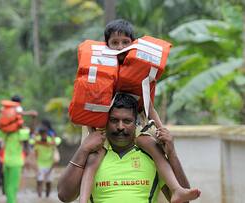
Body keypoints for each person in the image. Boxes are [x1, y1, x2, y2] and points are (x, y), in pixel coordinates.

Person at [77, 19, 201, 203]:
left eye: (125, 42)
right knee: (94, 158)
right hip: (101, 128)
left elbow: (149, 107)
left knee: (150, 144)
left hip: (134, 124)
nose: (120, 47)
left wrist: (160, 128)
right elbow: (89, 107)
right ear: (106, 46)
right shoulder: (99, 70)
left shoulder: (139, 73)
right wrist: (91, 137)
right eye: (114, 43)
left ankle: (176, 189)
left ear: (133, 44)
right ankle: (83, 200)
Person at [58, 93, 200, 202]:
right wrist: (83, 150)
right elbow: (64, 196)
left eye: (127, 121)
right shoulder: (92, 155)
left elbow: (184, 202)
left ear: (135, 123)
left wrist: (172, 154)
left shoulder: (153, 155)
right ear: (105, 122)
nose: (120, 127)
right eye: (114, 120)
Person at [0, 126, 30, 203]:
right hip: (6, 163)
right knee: (7, 187)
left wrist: (33, 118)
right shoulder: (5, 134)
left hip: (15, 164)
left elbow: (31, 131)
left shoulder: (20, 134)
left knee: (11, 187)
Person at [31, 127, 61, 198]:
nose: (44, 136)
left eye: (45, 134)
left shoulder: (51, 140)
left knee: (48, 182)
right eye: (42, 134)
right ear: (40, 135)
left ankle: (47, 197)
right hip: (40, 164)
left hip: (50, 164)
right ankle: (39, 197)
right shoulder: (37, 141)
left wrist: (51, 139)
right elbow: (35, 153)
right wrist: (36, 166)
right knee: (39, 181)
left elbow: (57, 142)